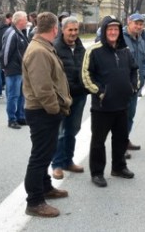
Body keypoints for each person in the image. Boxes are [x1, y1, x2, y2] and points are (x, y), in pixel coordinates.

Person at [22, 12, 72, 218]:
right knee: (40, 157)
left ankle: (45, 188)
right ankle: (34, 201)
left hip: (45, 111)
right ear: (55, 29)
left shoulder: (43, 47)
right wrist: (55, 109)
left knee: (45, 153)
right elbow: (43, 88)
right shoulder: (39, 51)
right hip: (42, 112)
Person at [82, 16, 137, 187]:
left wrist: (133, 87)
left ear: (120, 31)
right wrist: (100, 92)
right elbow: (86, 75)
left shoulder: (125, 50)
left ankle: (119, 167)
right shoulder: (94, 51)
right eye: (110, 29)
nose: (113, 32)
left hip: (122, 105)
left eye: (116, 29)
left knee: (121, 139)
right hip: (102, 107)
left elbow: (134, 70)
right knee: (98, 142)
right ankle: (97, 173)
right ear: (104, 31)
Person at [51, 16, 88, 180]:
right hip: (61, 98)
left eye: (76, 30)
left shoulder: (81, 48)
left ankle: (68, 161)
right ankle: (57, 165)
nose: (73, 33)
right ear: (62, 30)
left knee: (73, 130)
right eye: (70, 30)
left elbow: (87, 69)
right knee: (59, 132)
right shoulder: (55, 47)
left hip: (79, 96)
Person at [122, 12, 145, 152]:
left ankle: (125, 140)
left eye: (141, 24)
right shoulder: (120, 38)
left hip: (136, 86)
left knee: (130, 116)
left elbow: (144, 60)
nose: (139, 26)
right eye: (136, 23)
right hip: (122, 86)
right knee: (121, 118)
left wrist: (144, 77)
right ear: (129, 22)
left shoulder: (141, 39)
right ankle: (120, 146)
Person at [1, 11, 29, 129]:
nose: (27, 21)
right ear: (19, 20)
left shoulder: (20, 33)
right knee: (13, 95)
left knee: (21, 94)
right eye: (25, 19)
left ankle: (20, 116)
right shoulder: (12, 33)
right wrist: (5, 67)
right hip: (13, 70)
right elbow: (6, 52)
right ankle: (12, 119)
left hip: (20, 69)